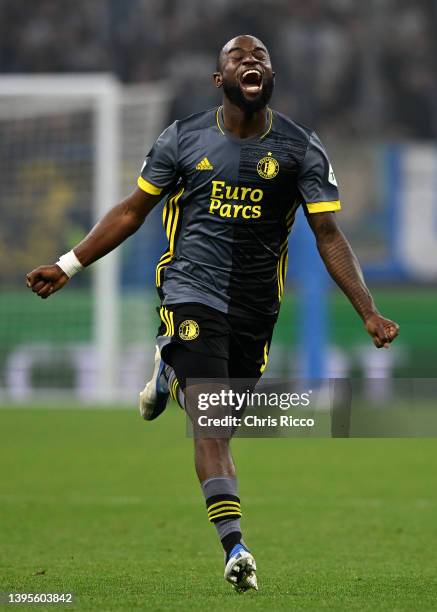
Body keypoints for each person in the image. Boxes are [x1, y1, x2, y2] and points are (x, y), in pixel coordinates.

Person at [26, 34, 399, 593]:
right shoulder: (183, 138)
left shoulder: (300, 149)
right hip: (191, 290)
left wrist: (368, 310)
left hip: (254, 308)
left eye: (262, 58)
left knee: (225, 415)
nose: (252, 61)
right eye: (237, 58)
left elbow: (328, 233)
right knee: (212, 420)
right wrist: (69, 263)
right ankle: (236, 547)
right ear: (217, 79)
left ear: (270, 78)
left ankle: (167, 369)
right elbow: (133, 211)